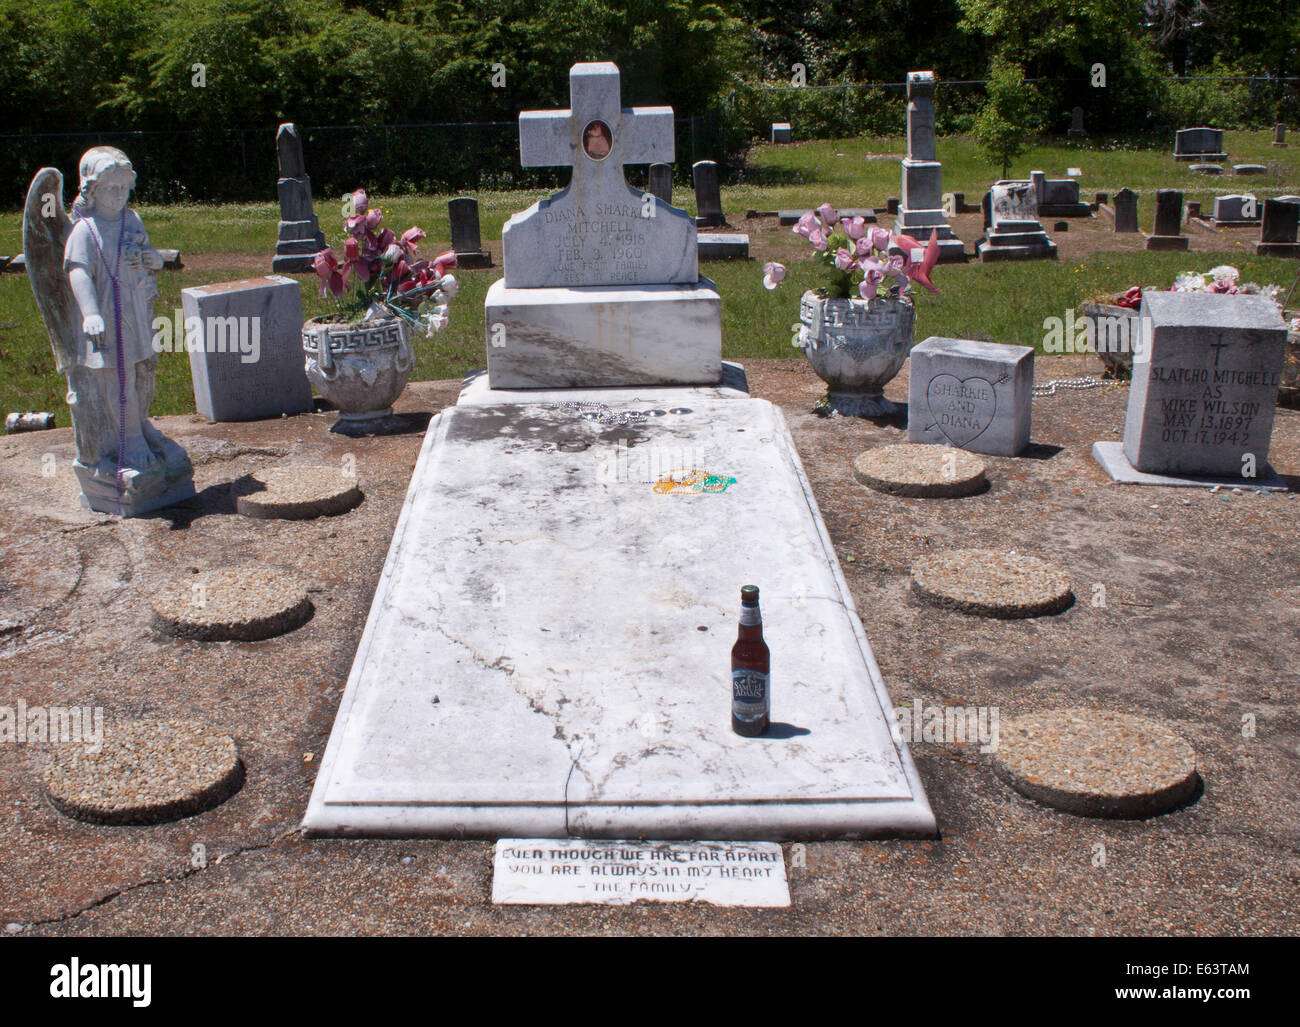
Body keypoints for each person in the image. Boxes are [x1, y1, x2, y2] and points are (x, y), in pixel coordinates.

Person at [63, 146, 168, 479]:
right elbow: (77, 271)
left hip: (135, 312)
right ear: (91, 190)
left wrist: (153, 259)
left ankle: (139, 424)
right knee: (117, 380)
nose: (119, 194)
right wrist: (90, 313)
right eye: (110, 188)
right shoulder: (85, 230)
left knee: (140, 374)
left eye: (124, 188)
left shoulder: (131, 219)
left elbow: (149, 255)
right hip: (106, 318)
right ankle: (128, 441)